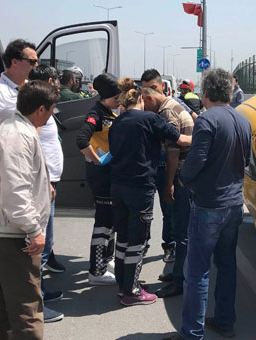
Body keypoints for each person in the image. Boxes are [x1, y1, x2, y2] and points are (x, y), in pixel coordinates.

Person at [169, 69, 251, 340]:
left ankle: (192, 333)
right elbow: (247, 161)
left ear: (205, 94)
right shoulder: (243, 120)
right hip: (233, 204)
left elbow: (196, 160)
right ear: (228, 92)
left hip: (208, 205)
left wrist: (182, 179)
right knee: (226, 265)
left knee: (198, 270)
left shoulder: (206, 121)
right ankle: (225, 321)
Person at [109, 78, 191, 306]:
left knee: (124, 237)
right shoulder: (150, 119)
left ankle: (123, 285)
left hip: (118, 185)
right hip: (140, 187)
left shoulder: (118, 122)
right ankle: (133, 291)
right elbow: (180, 140)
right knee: (138, 237)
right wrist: (206, 138)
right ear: (143, 99)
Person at [0, 80, 60, 339]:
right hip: (15, 235)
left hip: (10, 230)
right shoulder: (18, 134)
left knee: (7, 310)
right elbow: (15, 190)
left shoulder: (15, 128)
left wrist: (45, 188)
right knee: (27, 310)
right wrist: (34, 229)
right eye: (51, 111)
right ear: (41, 109)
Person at [141, 69, 194, 298]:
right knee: (179, 226)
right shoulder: (172, 105)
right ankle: (178, 273)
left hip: (181, 176)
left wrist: (169, 184)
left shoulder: (166, 113)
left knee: (182, 231)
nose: (144, 108)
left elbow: (173, 154)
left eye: (145, 103)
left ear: (152, 95)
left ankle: (181, 281)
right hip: (184, 174)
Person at [28, 65, 66, 323]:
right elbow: (35, 145)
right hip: (44, 183)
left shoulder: (45, 108)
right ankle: (35, 304)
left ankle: (39, 292)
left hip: (49, 181)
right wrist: (45, 180)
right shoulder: (38, 114)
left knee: (46, 241)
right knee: (40, 242)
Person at [76, 73, 121, 286]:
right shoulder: (95, 114)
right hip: (100, 175)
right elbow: (81, 139)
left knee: (110, 220)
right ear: (106, 96)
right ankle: (96, 270)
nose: (119, 101)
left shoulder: (107, 112)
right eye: (116, 97)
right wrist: (97, 160)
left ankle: (106, 260)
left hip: (108, 173)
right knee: (103, 222)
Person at [0, 39, 38, 125]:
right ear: (15, 62)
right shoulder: (0, 91)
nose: (36, 65)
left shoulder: (31, 87)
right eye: (32, 61)